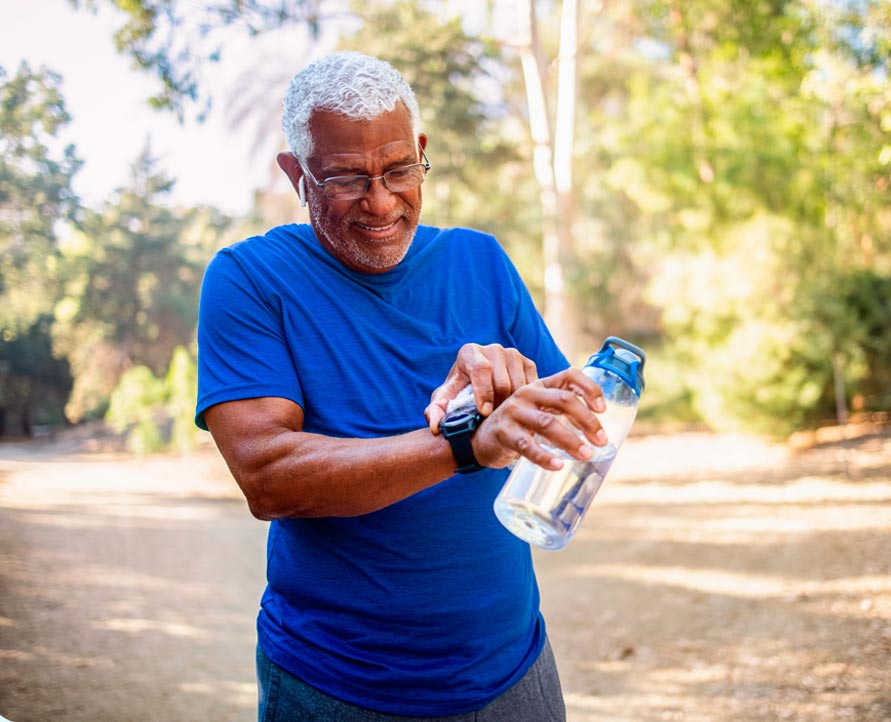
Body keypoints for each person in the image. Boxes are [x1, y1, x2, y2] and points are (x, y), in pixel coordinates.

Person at [194, 51, 609, 721]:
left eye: (397, 170)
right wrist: (463, 441)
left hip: (514, 668)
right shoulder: (249, 279)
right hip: (337, 685)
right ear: (295, 174)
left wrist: (521, 391)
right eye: (347, 178)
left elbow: (570, 426)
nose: (381, 201)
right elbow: (269, 476)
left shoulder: (480, 259)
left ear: (421, 152)